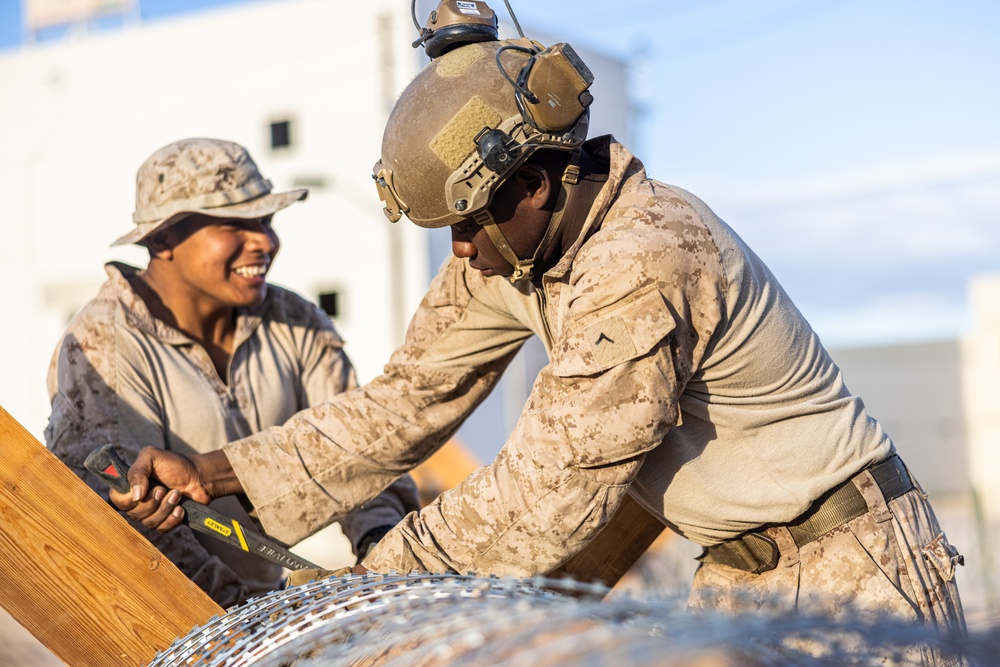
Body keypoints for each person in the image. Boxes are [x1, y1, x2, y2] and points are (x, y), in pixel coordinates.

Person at [112, 41, 967, 662]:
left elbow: (548, 492)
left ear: (531, 183)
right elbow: (403, 402)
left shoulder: (643, 254)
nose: (457, 251)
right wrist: (218, 472)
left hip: (853, 569)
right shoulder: (511, 248)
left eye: (463, 226)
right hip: (735, 579)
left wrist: (369, 591)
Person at [46, 138, 420, 608]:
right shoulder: (101, 348)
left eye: (266, 220)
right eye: (235, 224)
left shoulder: (294, 321)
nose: (264, 241)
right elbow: (129, 535)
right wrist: (244, 620)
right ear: (163, 239)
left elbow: (361, 449)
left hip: (262, 615)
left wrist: (383, 555)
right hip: (170, 625)